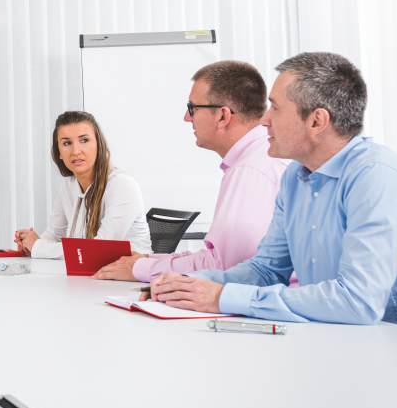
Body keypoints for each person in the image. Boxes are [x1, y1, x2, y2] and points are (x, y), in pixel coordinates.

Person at [144, 52, 397, 339]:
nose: (263, 120)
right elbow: (264, 271)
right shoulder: (295, 177)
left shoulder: (375, 178)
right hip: (345, 342)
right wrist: (188, 284)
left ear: (317, 120)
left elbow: (358, 301)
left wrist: (223, 298)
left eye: (274, 108)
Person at [94, 61, 287, 281]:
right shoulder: (259, 158)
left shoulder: (250, 170)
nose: (187, 117)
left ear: (223, 116)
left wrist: (141, 269)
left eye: (192, 107)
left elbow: (226, 266)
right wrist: (150, 260)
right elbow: (221, 257)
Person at [14, 111, 151, 258]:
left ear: (98, 145)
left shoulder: (121, 185)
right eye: (67, 143)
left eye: (84, 140)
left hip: (132, 276)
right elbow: (53, 235)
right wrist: (30, 245)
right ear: (59, 152)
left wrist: (39, 247)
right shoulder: (67, 185)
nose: (76, 151)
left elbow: (101, 249)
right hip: (89, 274)